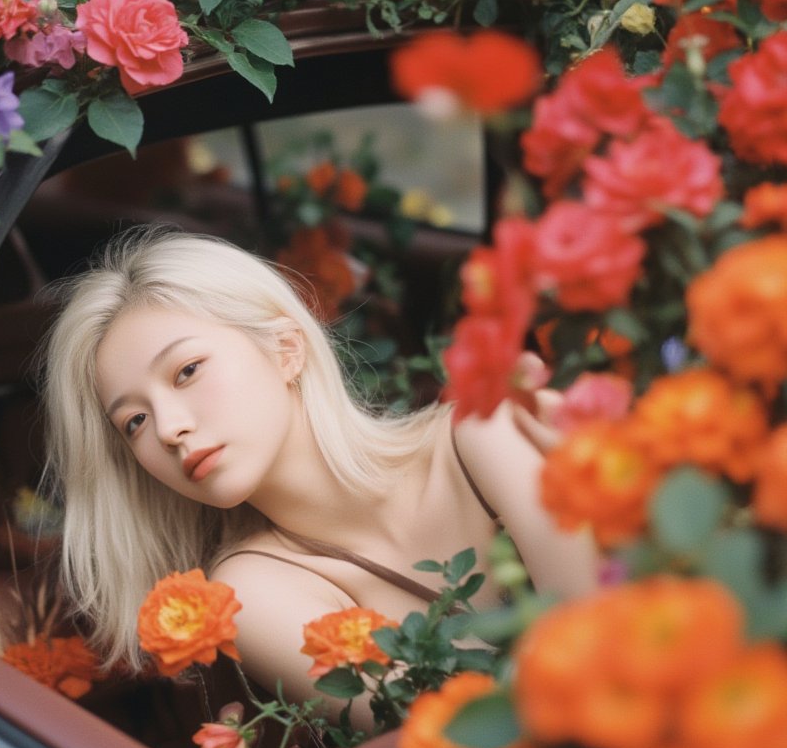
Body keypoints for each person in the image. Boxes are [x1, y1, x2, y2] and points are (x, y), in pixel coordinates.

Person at [40, 225, 597, 721]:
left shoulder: (487, 432)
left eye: (186, 371)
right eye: (133, 420)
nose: (168, 428)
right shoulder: (251, 589)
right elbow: (464, 741)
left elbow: (611, 634)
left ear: (285, 348)